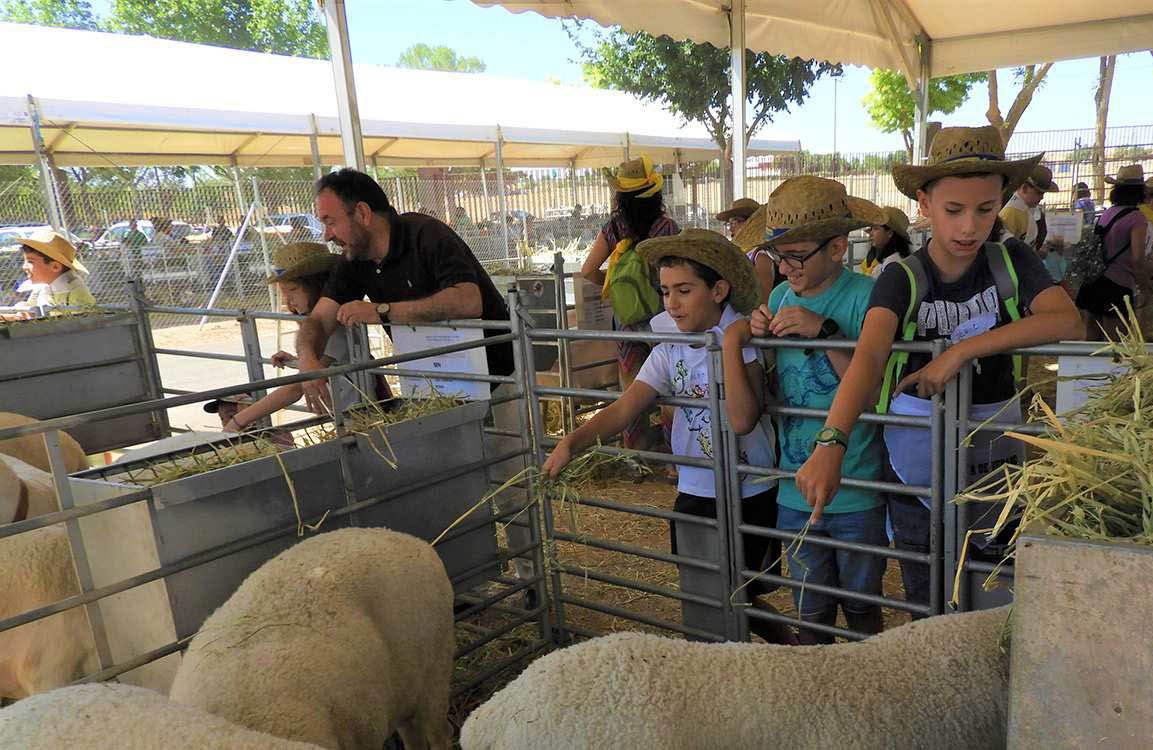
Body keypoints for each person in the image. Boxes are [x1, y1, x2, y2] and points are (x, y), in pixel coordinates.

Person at [794, 125, 1084, 619]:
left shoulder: (1011, 261)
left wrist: (960, 352)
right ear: (925, 204)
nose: (970, 226)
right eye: (954, 210)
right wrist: (831, 442)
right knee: (924, 578)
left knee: (993, 573)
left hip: (993, 449)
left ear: (1001, 202)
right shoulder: (900, 277)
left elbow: (1068, 321)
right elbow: (868, 357)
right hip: (914, 455)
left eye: (985, 209)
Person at [543, 228, 793, 645]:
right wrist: (572, 441)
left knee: (739, 594)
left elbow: (744, 419)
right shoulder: (669, 347)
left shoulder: (740, 339)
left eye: (684, 290)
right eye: (665, 291)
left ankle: (782, 652)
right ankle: (748, 661)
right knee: (703, 591)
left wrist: (729, 345)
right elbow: (625, 408)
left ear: (718, 290)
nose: (672, 303)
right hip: (696, 485)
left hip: (748, 489)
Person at [724, 176, 887, 643]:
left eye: (796, 255)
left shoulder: (866, 296)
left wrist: (827, 333)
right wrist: (757, 332)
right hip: (792, 485)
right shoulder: (778, 296)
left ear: (837, 248)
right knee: (809, 608)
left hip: (855, 483)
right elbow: (772, 376)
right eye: (779, 256)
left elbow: (873, 390)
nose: (786, 267)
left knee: (863, 605)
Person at [295, 168, 513, 412]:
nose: (326, 236)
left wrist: (382, 311)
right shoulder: (353, 259)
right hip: (432, 388)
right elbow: (319, 319)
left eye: (331, 222)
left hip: (497, 381)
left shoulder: (427, 235)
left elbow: (468, 301)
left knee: (503, 449)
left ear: (362, 213)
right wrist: (307, 358)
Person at [226, 242, 391, 430]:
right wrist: (299, 360)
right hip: (352, 414)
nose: (288, 300)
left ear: (316, 286)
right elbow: (330, 361)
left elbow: (295, 388)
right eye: (283, 292)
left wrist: (238, 420)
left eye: (293, 290)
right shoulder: (322, 325)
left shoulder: (336, 325)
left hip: (363, 418)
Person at [578, 155, 680, 451]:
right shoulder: (666, 228)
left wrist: (615, 289)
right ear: (654, 192)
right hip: (665, 318)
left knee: (631, 388)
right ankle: (675, 460)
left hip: (626, 321)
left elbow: (587, 271)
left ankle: (635, 456)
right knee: (671, 384)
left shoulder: (613, 228)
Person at [1075, 165, 1153, 340]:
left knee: (1092, 341)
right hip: (1117, 285)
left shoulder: (1108, 213)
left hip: (1094, 280)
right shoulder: (1137, 218)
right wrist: (1144, 285)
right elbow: (1137, 258)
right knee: (1117, 343)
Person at [13, 230, 97, 312]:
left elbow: (83, 323)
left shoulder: (76, 293)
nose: (24, 267)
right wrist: (25, 310)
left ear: (55, 267)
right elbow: (30, 311)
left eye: (30, 262)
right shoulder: (41, 287)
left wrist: (35, 317)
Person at [999, 164, 1057, 252]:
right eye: (1039, 193)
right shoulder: (1010, 214)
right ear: (1024, 188)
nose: (1042, 197)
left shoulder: (1027, 210)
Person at [859, 206, 913, 276]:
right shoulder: (878, 256)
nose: (871, 233)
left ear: (890, 233)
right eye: (871, 228)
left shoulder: (893, 263)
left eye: (875, 229)